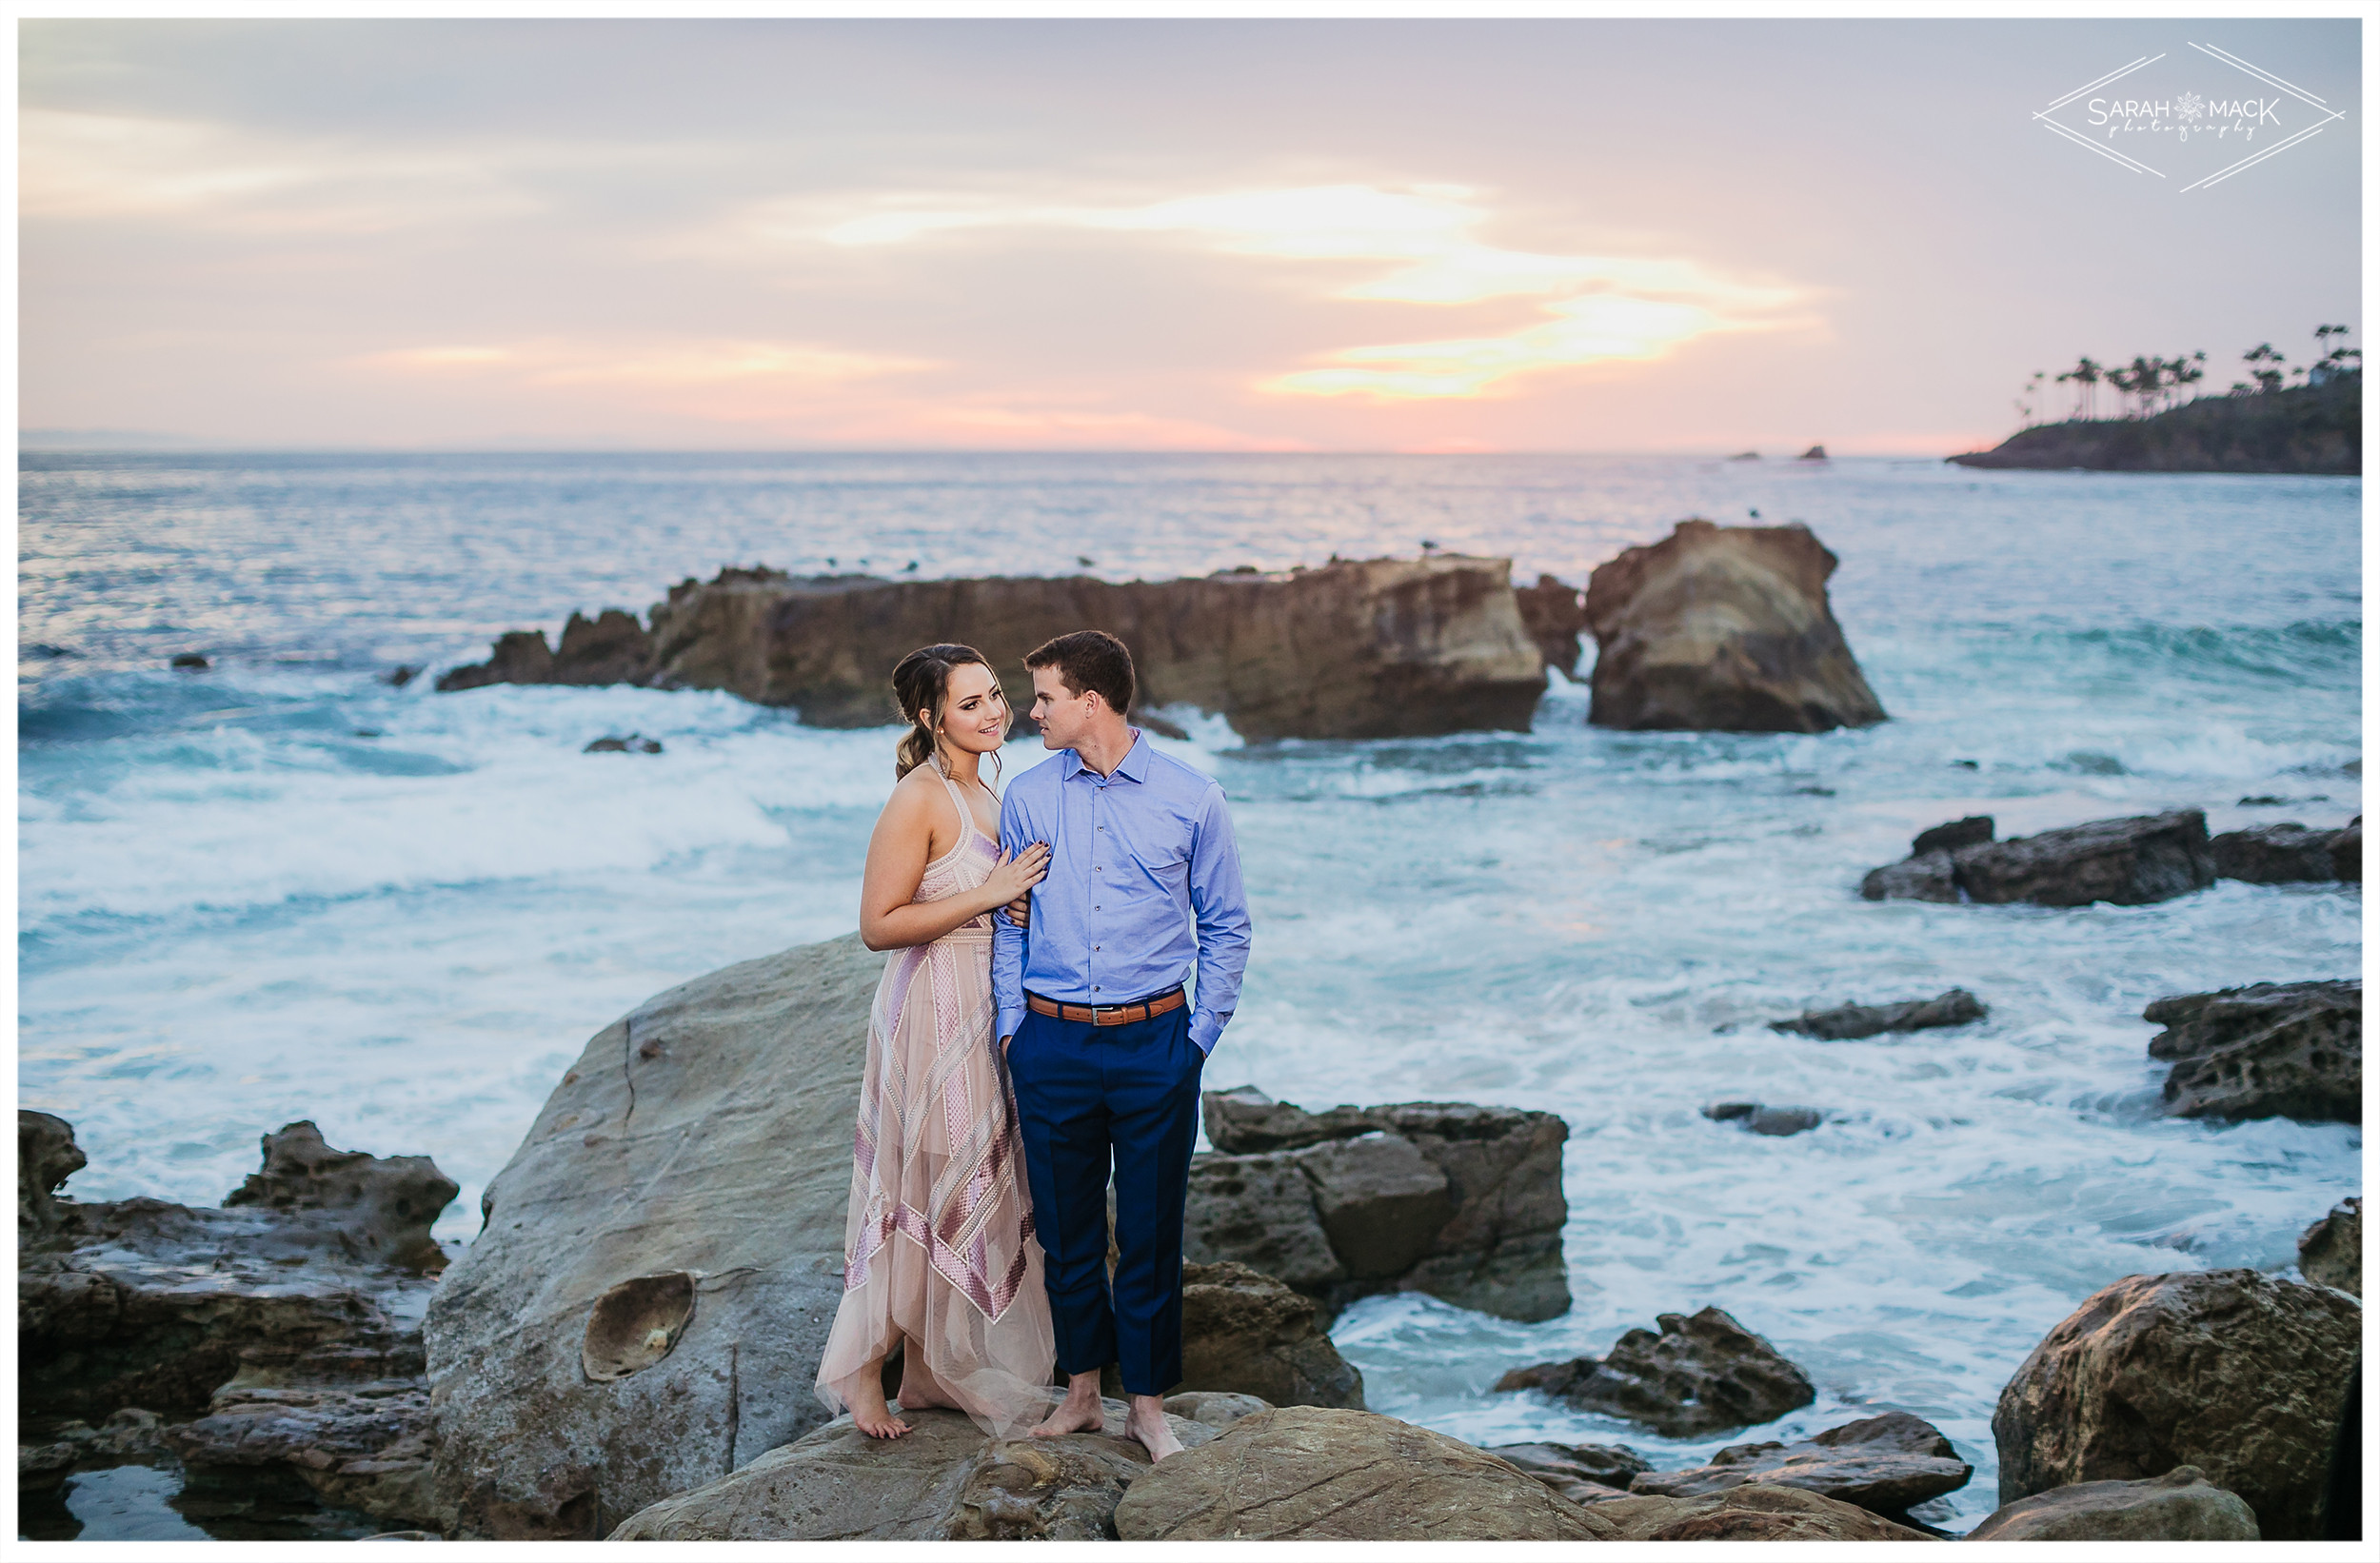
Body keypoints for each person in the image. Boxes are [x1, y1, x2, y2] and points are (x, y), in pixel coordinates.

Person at [991, 630, 1252, 1461]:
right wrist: (1011, 1029)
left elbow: (1227, 926)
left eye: (1044, 698)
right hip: (1053, 1043)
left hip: (1155, 1046)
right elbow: (1008, 920)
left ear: (1091, 702)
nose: (1030, 713)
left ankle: (1147, 1408)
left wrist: (1197, 1037)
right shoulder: (1029, 796)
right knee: (1064, 1234)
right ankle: (1081, 1395)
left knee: (1148, 1232)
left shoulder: (1193, 797)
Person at [814, 643, 1057, 1440]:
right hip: (932, 1007)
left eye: (995, 696)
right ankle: (862, 1377)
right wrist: (988, 895)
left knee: (960, 1181)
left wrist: (1007, 908)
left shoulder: (984, 791)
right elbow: (878, 926)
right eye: (970, 704)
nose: (993, 712)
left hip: (985, 1005)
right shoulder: (918, 798)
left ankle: (925, 1374)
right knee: (912, 1183)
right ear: (929, 717)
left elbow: (990, 905)